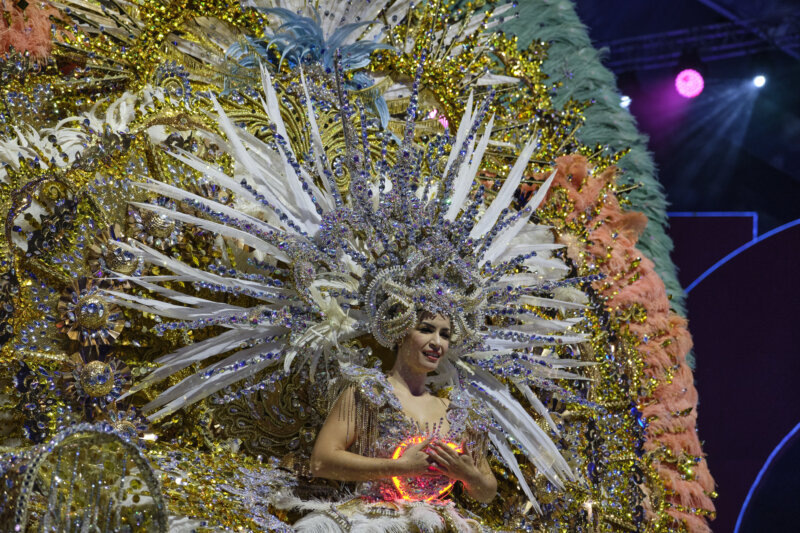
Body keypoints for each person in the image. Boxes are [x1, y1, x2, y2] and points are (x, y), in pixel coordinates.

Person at [290, 313, 498, 531]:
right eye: (426, 330)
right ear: (400, 333)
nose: (437, 343)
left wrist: (467, 475)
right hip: (373, 521)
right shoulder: (367, 394)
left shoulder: (456, 410)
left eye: (445, 335)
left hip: (438, 524)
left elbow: (487, 492)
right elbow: (322, 462)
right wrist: (399, 467)